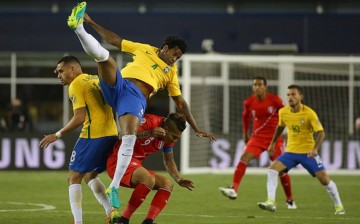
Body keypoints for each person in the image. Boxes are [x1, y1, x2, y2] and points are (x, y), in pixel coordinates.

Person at [67, 2, 215, 209]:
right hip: (118, 86)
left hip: (134, 97)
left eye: (178, 57)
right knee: (105, 58)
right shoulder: (145, 49)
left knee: (129, 135)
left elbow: (180, 102)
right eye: (174, 53)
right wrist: (91, 22)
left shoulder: (171, 73)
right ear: (164, 48)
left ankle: (114, 187)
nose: (175, 58)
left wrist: (197, 128)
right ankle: (79, 27)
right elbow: (116, 41)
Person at [39, 56, 120, 224]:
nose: (59, 75)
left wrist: (58, 134)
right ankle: (111, 211)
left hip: (93, 135)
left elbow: (79, 117)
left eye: (61, 71)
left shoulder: (76, 84)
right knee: (89, 175)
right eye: (57, 72)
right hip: (111, 133)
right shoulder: (96, 79)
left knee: (73, 177)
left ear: (73, 69)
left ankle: (78, 222)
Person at [257, 84, 345, 215]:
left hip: (308, 153)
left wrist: (315, 149)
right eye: (288, 95)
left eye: (293, 94)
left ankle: (339, 207)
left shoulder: (309, 113)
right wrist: (272, 143)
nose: (290, 97)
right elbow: (280, 127)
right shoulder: (283, 112)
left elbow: (321, 133)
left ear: (301, 97)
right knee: (272, 170)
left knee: (324, 179)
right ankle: (271, 202)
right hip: (290, 152)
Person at [219, 77, 296, 209]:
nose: (257, 87)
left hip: (274, 139)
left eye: (260, 85)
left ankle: (290, 200)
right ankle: (234, 189)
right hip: (257, 138)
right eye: (255, 85)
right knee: (244, 158)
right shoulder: (249, 102)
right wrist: (245, 133)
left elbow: (286, 114)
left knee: (281, 170)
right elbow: (245, 116)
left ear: (265, 87)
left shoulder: (275, 100)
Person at [107, 113, 194, 224]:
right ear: (166, 129)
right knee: (149, 179)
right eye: (174, 137)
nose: (174, 141)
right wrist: (149, 133)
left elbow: (169, 160)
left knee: (167, 184)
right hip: (117, 162)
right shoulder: (149, 122)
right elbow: (122, 135)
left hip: (134, 165)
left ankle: (148, 222)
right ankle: (123, 221)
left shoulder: (167, 138)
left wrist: (179, 179)